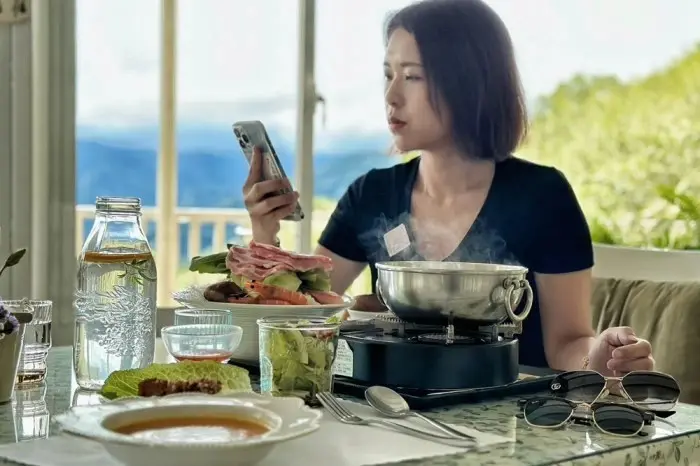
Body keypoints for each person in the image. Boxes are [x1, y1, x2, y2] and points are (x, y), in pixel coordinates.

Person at [242, 0, 654, 375]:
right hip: (386, 408)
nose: (391, 95)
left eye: (412, 76)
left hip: (510, 418)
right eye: (388, 74)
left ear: (468, 83)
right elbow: (305, 311)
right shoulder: (371, 195)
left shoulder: (543, 197)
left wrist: (599, 357)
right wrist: (265, 233)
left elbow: (567, 343)